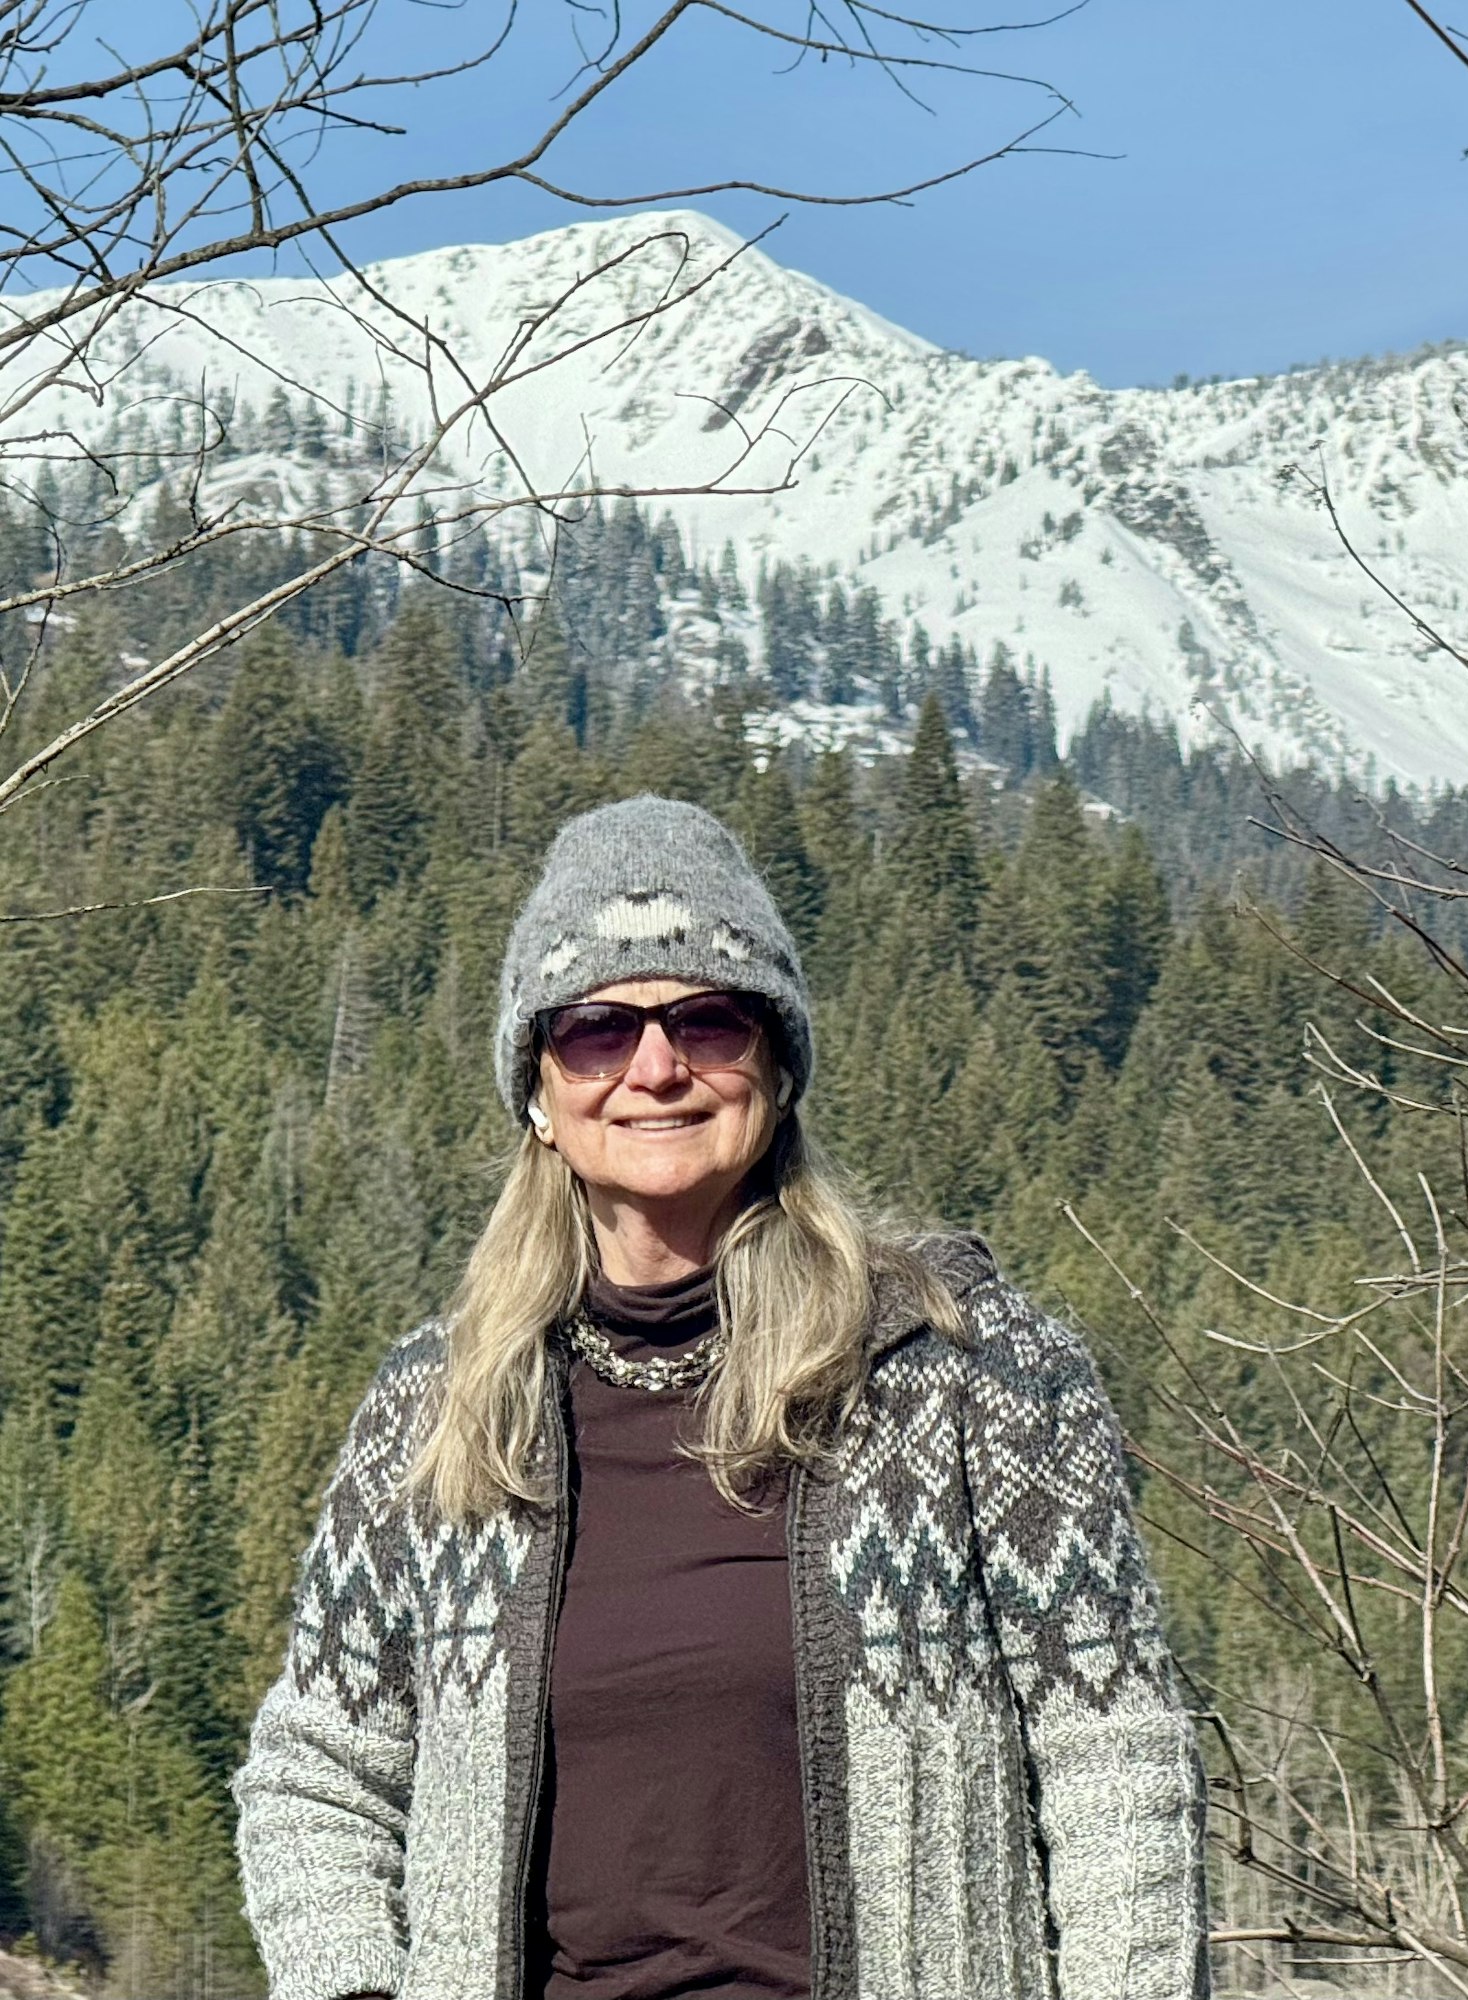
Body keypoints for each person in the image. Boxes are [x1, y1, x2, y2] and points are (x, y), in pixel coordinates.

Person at [232, 795, 1211, 2000]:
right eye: (596, 1028)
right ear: (535, 1087)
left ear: (777, 1064)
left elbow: (1115, 1753)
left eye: (706, 1018)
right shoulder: (440, 1409)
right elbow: (319, 1767)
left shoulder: (963, 1365)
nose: (654, 1066)